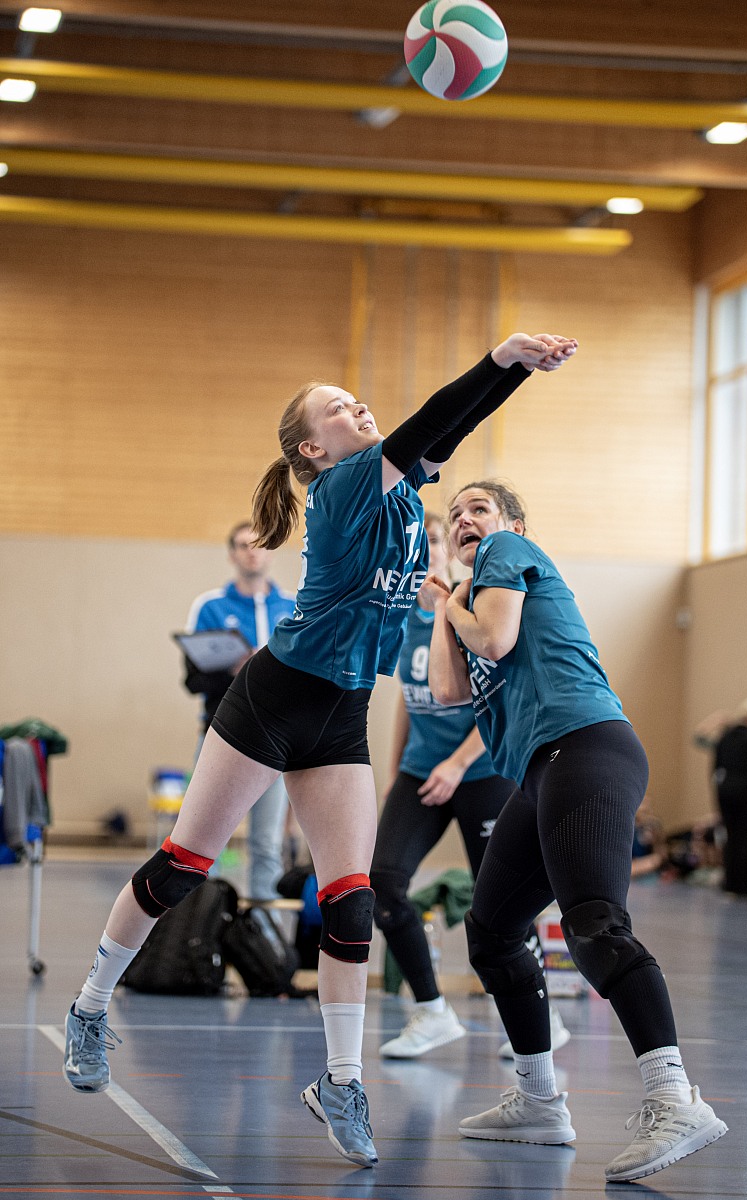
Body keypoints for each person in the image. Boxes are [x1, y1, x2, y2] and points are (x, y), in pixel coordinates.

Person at [61, 332, 578, 1169]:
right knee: (184, 864)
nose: (356, 407)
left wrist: (516, 372)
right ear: (313, 449)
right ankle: (90, 1006)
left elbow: (447, 431)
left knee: (350, 901)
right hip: (274, 700)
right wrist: (503, 354)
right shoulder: (344, 484)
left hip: (343, 712)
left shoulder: (401, 490)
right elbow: (431, 421)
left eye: (354, 399)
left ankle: (341, 1082)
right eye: (337, 408)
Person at [421, 479, 727, 1184]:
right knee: (492, 932)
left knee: (594, 924)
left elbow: (495, 640)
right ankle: (537, 1103)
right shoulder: (469, 595)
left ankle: (674, 1099)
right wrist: (445, 609)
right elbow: (447, 691)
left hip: (586, 744)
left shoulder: (506, 553)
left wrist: (453, 607)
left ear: (513, 524)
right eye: (457, 513)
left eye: (479, 508)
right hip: (540, 769)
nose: (465, 519)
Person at [372, 511, 569, 1059]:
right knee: (383, 885)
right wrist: (397, 772)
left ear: (445, 550)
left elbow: (496, 698)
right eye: (412, 544)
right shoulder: (399, 616)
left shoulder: (469, 607)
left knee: (502, 905)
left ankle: (542, 1017)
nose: (422, 552)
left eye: (432, 541)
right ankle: (432, 1012)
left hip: (481, 774)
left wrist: (457, 764)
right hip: (421, 772)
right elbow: (409, 702)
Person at [183, 521, 296, 900]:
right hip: (221, 736)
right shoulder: (210, 606)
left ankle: (262, 931)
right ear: (232, 554)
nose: (252, 552)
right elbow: (193, 680)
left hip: (276, 742)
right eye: (243, 545)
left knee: (266, 845)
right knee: (200, 845)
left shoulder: (293, 607)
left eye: (259, 544)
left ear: (270, 551)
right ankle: (198, 925)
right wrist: (234, 669)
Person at [694, 697, 747, 898]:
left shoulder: (725, 738)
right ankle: (744, 889)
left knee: (731, 839)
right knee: (745, 840)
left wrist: (719, 795)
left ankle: (730, 885)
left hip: (725, 795)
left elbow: (715, 769)